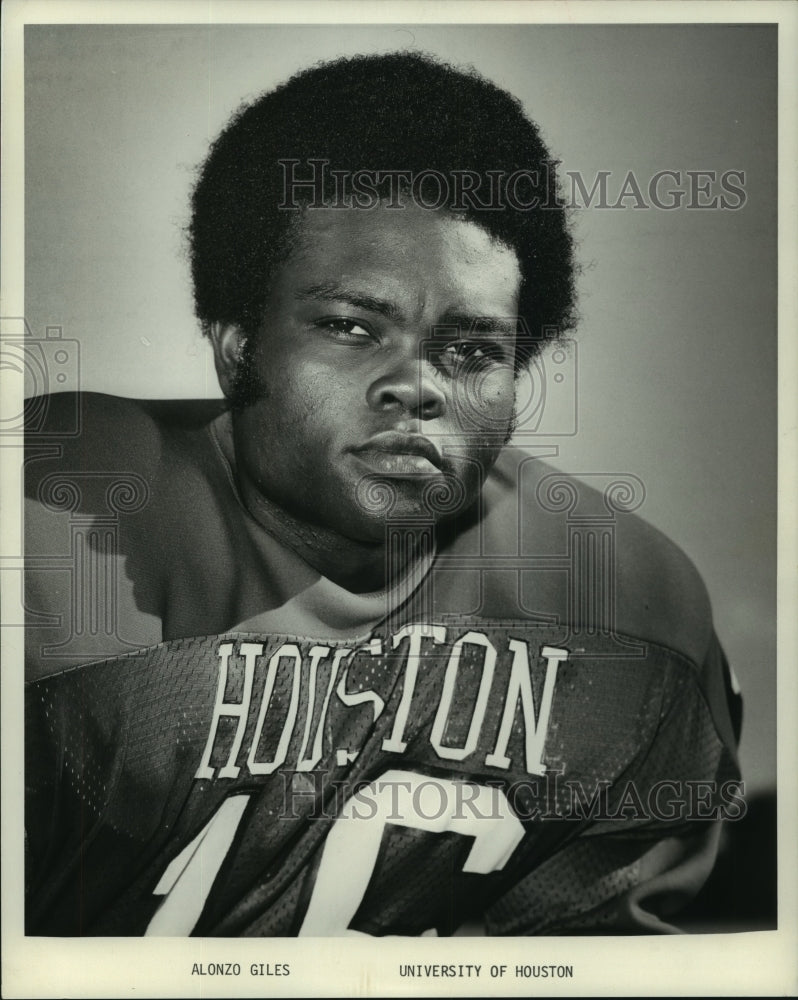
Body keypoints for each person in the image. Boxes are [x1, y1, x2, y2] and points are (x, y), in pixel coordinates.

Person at [24, 51, 741, 937]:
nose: (417, 385)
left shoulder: (633, 611)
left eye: (472, 350)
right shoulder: (47, 535)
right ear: (237, 341)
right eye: (352, 328)